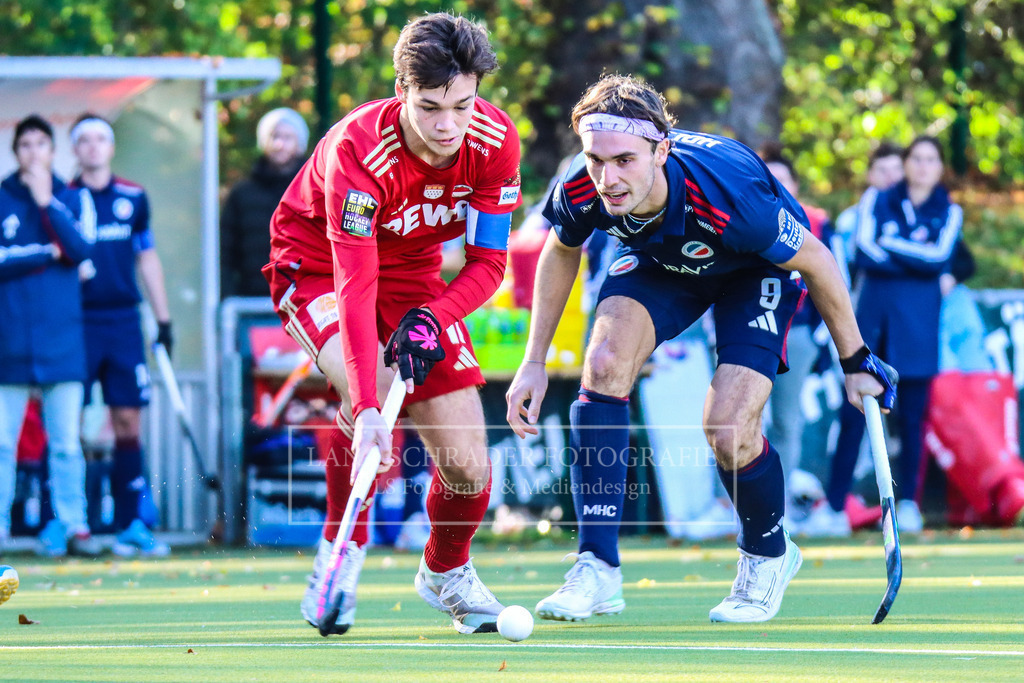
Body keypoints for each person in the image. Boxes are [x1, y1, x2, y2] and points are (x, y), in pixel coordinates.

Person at [505, 75, 896, 624]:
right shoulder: (582, 181)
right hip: (661, 263)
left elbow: (818, 260)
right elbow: (561, 248)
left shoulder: (730, 193)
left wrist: (856, 362)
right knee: (604, 364)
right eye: (596, 159)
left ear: (661, 150)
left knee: (729, 428)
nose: (608, 178)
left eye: (625, 161)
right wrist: (533, 361)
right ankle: (597, 569)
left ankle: (767, 557)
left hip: (751, 269)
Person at [262, 13, 522, 635]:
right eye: (430, 106)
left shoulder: (494, 143)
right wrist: (370, 405)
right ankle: (339, 555)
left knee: (469, 469)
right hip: (318, 265)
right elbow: (354, 285)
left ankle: (445, 572)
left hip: (413, 277)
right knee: (372, 398)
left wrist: (433, 317)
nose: (447, 125)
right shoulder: (358, 149)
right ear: (400, 89)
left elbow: (489, 264)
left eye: (462, 105)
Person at [803, 136, 960, 537]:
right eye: (916, 159)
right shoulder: (877, 200)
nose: (923, 167)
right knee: (856, 414)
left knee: (913, 422)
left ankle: (909, 504)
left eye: (931, 160)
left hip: (919, 328)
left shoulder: (950, 210)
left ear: (940, 167)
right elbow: (867, 250)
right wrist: (912, 252)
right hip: (871, 324)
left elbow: (940, 257)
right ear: (906, 164)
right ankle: (836, 507)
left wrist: (895, 247)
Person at [68, 114, 173, 557]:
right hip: (74, 324)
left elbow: (146, 258)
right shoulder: (62, 199)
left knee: (129, 421)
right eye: (84, 140)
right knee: (67, 425)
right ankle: (69, 523)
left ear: (110, 148)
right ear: (75, 150)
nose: (93, 147)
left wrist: (163, 320)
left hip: (123, 323)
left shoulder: (133, 196)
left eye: (100, 139)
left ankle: (132, 522)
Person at [0, 114, 100, 558]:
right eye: (25, 145)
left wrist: (46, 204)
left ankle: (73, 524)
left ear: (52, 151)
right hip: (9, 341)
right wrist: (46, 252)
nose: (33, 152)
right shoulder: (1, 197)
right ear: (15, 151)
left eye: (41, 144)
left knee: (64, 444)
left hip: (63, 342)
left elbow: (79, 250)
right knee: (2, 445)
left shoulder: (73, 197)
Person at [759, 146, 833, 514]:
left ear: (796, 184)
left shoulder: (816, 222)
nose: (777, 186)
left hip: (798, 333)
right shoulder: (742, 217)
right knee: (736, 421)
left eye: (783, 179)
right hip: (751, 328)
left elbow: (832, 281)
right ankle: (733, 505)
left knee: (787, 420)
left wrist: (822, 336)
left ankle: (778, 507)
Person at [221, 107, 309, 298]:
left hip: (306, 301)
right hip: (249, 303)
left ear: (299, 143)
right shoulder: (241, 194)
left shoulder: (314, 191)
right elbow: (224, 254)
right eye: (274, 136)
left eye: (287, 138)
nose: (279, 144)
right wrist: (228, 297)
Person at [831, 143, 904, 285]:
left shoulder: (920, 212)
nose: (891, 177)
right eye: (882, 170)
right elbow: (843, 267)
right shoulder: (849, 220)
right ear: (870, 176)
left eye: (897, 169)